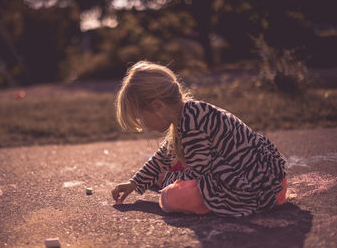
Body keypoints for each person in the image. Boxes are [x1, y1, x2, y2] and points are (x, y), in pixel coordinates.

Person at [111, 61, 287, 217]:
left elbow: (200, 174)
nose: (145, 126)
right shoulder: (188, 112)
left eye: (142, 119)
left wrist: (167, 179)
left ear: (158, 106)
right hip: (268, 178)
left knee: (170, 198)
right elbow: (163, 156)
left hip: (255, 186)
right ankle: (162, 178)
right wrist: (135, 182)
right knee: (174, 162)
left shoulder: (191, 126)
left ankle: (167, 182)